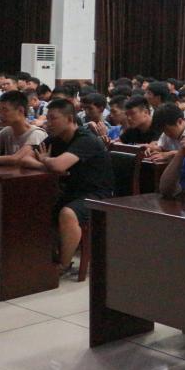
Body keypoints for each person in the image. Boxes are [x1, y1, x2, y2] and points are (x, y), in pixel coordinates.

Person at [18, 98, 113, 276]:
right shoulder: (56, 138)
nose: (48, 123)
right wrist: (45, 164)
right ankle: (38, 257)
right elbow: (24, 158)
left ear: (69, 119)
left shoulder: (86, 139)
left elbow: (59, 165)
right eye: (47, 118)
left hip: (97, 195)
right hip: (71, 192)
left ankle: (63, 264)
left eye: (53, 118)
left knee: (68, 213)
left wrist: (46, 160)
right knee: (33, 206)